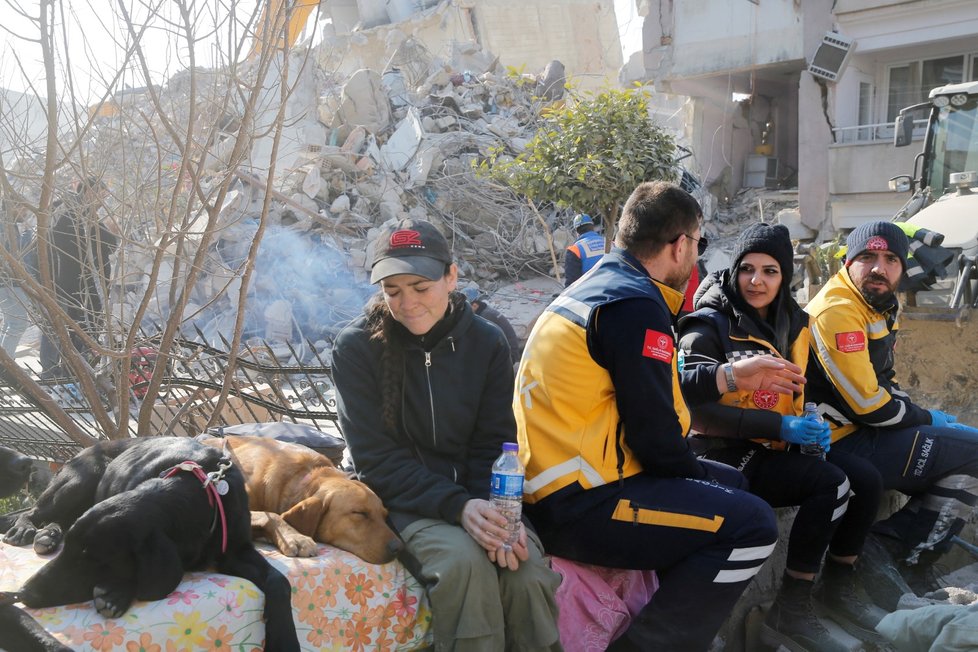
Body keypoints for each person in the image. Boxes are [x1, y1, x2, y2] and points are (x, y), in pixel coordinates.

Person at [514, 181, 808, 650]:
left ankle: (658, 616)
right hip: (579, 503)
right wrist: (694, 479)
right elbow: (657, 440)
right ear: (679, 245)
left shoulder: (603, 286)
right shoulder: (634, 306)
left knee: (733, 486)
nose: (696, 258)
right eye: (698, 245)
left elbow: (653, 403)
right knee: (752, 525)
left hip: (567, 481)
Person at [332, 218, 561, 652]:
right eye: (392, 290)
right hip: (403, 501)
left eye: (421, 287)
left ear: (451, 276)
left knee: (525, 572)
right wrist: (458, 508)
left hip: (478, 495)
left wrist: (494, 517)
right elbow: (376, 461)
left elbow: (494, 444)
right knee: (463, 565)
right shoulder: (356, 348)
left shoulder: (488, 342)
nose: (407, 303)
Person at [678, 223, 887, 650]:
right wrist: (780, 426)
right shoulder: (708, 324)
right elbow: (693, 404)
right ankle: (791, 609)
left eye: (770, 271)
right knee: (831, 485)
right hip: (723, 452)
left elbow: (798, 388)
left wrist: (809, 424)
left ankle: (839, 590)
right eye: (748, 269)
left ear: (784, 276)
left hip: (776, 444)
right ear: (734, 270)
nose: (756, 281)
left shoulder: (795, 323)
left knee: (867, 481)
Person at [804, 220, 978, 610]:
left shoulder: (877, 302)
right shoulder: (837, 311)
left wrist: (923, 416)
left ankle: (912, 557)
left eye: (890, 259)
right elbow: (868, 404)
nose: (878, 268)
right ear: (847, 262)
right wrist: (926, 418)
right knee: (972, 452)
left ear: (902, 266)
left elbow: (884, 380)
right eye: (867, 257)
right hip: (832, 442)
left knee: (966, 453)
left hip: (862, 433)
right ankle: (889, 550)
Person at [39, 178, 119, 379]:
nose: (103, 200)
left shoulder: (77, 211)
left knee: (68, 327)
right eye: (101, 194)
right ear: (89, 191)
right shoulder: (74, 212)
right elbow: (107, 243)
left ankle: (68, 371)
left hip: (72, 281)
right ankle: (62, 372)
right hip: (71, 282)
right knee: (72, 328)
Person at [0, 197, 34, 358]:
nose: (26, 212)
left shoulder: (8, 225)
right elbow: (14, 254)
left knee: (10, 323)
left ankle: (5, 365)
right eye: (23, 208)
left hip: (7, 281)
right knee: (18, 324)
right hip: (9, 282)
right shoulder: (4, 225)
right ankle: (6, 367)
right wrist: (28, 234)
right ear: (14, 207)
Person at [461, 285, 522, 365]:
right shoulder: (485, 311)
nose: (463, 310)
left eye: (465, 307)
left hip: (510, 357)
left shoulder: (486, 317)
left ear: (475, 305)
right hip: (507, 351)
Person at [562, 213, 604, 286]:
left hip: (591, 291)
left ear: (576, 232)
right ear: (592, 227)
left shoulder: (575, 249)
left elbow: (572, 282)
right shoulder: (611, 243)